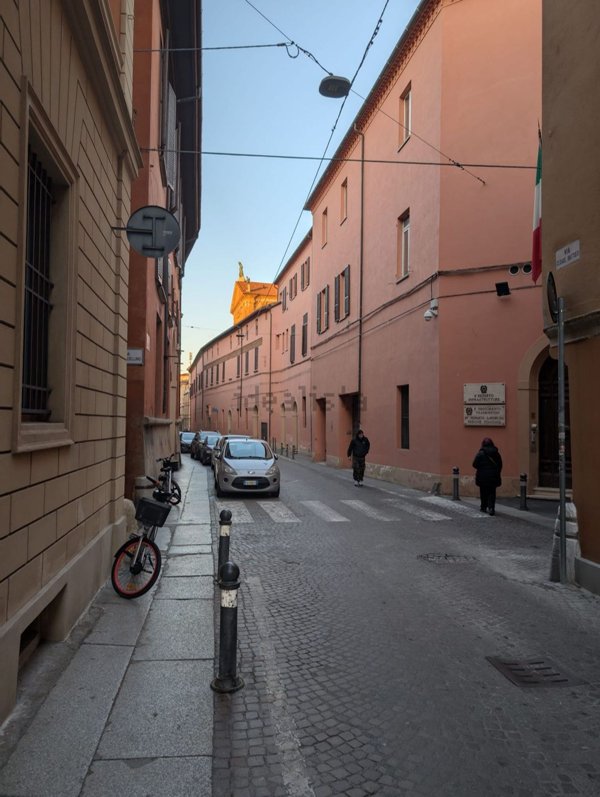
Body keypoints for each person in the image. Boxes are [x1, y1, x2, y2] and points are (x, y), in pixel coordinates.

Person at [472, 437, 503, 515]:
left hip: (482, 476)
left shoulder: (480, 453)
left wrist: (481, 468)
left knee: (483, 492)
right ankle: (491, 508)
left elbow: (474, 464)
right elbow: (500, 464)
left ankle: (483, 507)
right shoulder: (496, 453)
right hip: (493, 476)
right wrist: (497, 472)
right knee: (492, 492)